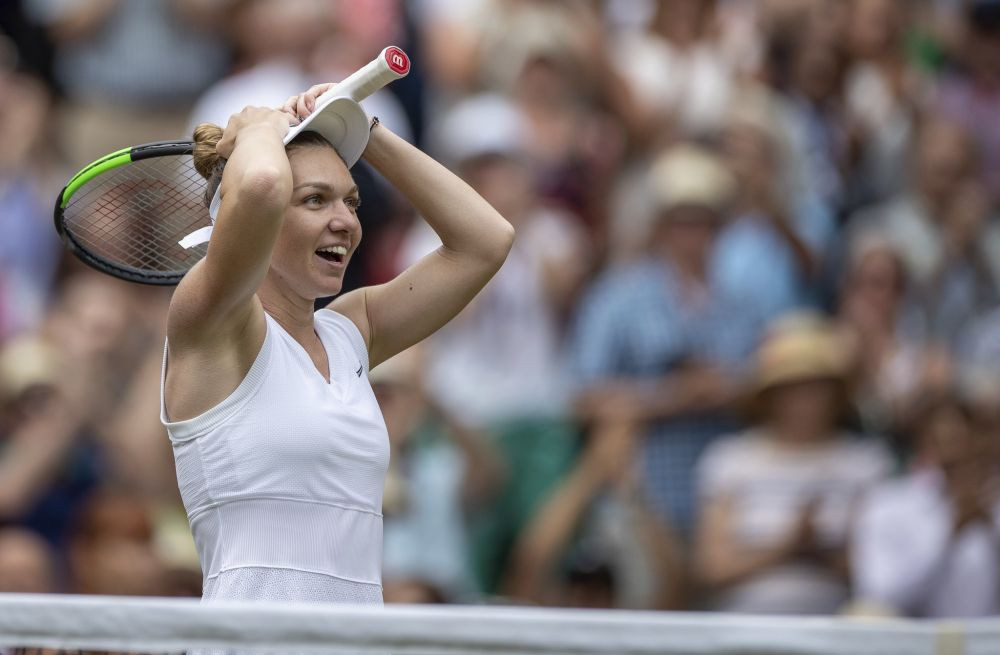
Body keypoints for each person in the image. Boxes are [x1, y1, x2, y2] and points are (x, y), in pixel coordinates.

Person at [160, 84, 514, 605]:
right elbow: (258, 184)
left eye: (351, 200)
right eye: (314, 199)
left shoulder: (351, 331)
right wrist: (257, 130)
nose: (346, 221)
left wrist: (362, 131)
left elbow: (486, 241)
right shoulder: (207, 315)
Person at [695, 315, 892, 615]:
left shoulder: (866, 463)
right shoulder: (729, 459)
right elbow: (712, 568)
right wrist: (787, 547)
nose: (805, 400)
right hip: (745, 626)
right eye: (793, 387)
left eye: (816, 386)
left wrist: (818, 551)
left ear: (837, 393)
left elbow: (883, 570)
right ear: (770, 395)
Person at [851, 392, 1000, 617]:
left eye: (967, 441)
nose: (958, 455)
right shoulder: (887, 503)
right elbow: (879, 594)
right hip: (913, 645)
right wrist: (951, 532)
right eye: (943, 443)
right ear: (921, 444)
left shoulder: (993, 501)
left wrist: (990, 529)